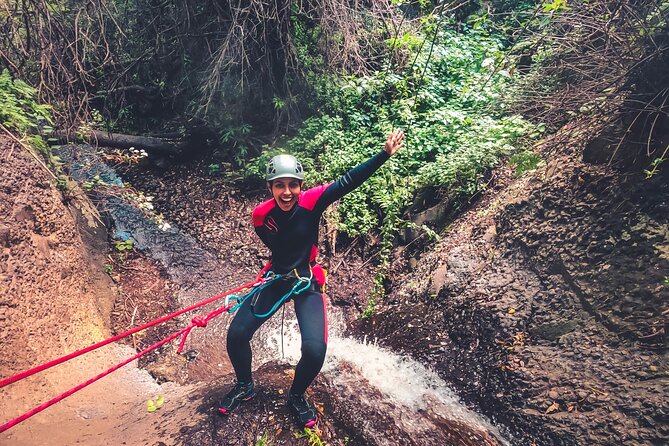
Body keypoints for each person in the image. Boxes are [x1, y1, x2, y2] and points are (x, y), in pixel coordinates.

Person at [218, 129, 405, 427]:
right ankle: (245, 386)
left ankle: (296, 396)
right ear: (270, 187)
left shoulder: (312, 201)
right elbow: (280, 247)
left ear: (301, 186)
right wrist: (276, 271)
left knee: (315, 349)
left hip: (307, 283)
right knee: (237, 334)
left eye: (293, 185)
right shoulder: (260, 216)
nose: (287, 192)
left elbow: (348, 181)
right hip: (277, 279)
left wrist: (383, 154)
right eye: (280, 185)